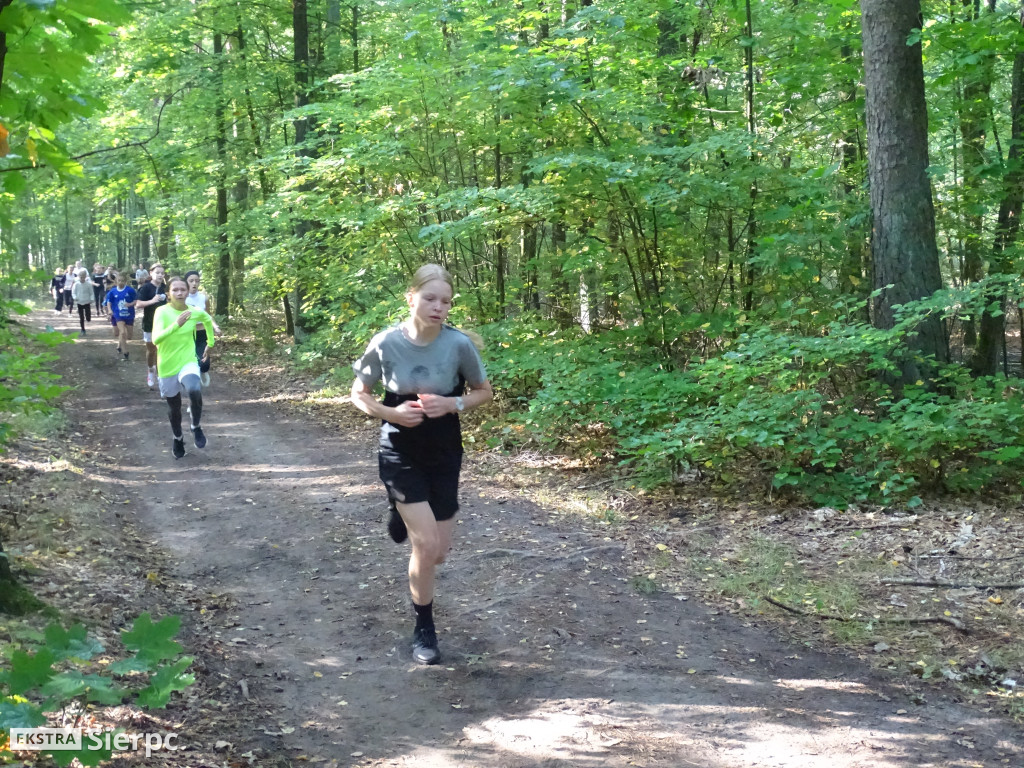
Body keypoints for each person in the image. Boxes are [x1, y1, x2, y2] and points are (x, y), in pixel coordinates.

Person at [350, 263, 492, 665]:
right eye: (430, 298)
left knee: (439, 552)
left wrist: (454, 402)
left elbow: (485, 392)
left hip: (444, 445)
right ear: (410, 298)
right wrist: (389, 414)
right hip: (399, 444)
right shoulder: (385, 343)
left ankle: (401, 514)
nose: (438, 307)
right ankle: (424, 628)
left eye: (445, 301)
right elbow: (359, 393)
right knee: (425, 545)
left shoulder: (459, 345)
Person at [153, 276, 216, 458]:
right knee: (174, 408)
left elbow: (207, 319)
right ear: (168, 294)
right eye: (175, 290)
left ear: (187, 292)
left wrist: (210, 344)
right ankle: (177, 437)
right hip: (167, 365)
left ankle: (195, 426)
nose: (180, 293)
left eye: (183, 289)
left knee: (194, 389)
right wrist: (176, 324)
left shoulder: (194, 311)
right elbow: (156, 339)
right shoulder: (161, 312)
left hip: (188, 361)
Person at [184, 270, 221, 387]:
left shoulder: (203, 297)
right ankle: (191, 379)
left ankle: (203, 370)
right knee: (189, 358)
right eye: (191, 281)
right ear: (186, 282)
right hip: (187, 332)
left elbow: (208, 315)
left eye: (197, 281)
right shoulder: (182, 298)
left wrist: (216, 327)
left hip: (202, 332)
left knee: (204, 363)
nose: (194, 283)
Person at [135, 264, 168, 389]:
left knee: (162, 351)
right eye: (158, 272)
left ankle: (161, 376)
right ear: (151, 273)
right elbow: (138, 304)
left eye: (162, 273)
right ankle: (150, 370)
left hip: (164, 324)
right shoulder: (146, 288)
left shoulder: (165, 288)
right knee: (151, 350)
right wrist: (152, 301)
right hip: (149, 323)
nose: (160, 275)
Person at [105, 271, 137, 360]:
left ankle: (119, 344)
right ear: (116, 282)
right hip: (118, 315)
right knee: (122, 332)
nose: (120, 282)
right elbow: (109, 302)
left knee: (129, 336)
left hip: (129, 315)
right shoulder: (113, 291)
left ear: (125, 282)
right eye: (119, 281)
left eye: (122, 281)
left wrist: (130, 304)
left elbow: (136, 300)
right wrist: (110, 310)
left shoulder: (130, 290)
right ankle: (125, 352)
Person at [71, 269, 94, 337]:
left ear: (85, 277)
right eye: (81, 277)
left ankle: (88, 318)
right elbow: (73, 292)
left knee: (88, 317)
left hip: (87, 302)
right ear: (78, 277)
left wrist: (92, 299)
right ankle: (83, 329)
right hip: (79, 302)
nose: (82, 278)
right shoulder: (76, 284)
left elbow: (91, 293)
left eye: (83, 277)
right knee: (81, 317)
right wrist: (75, 297)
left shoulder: (88, 284)